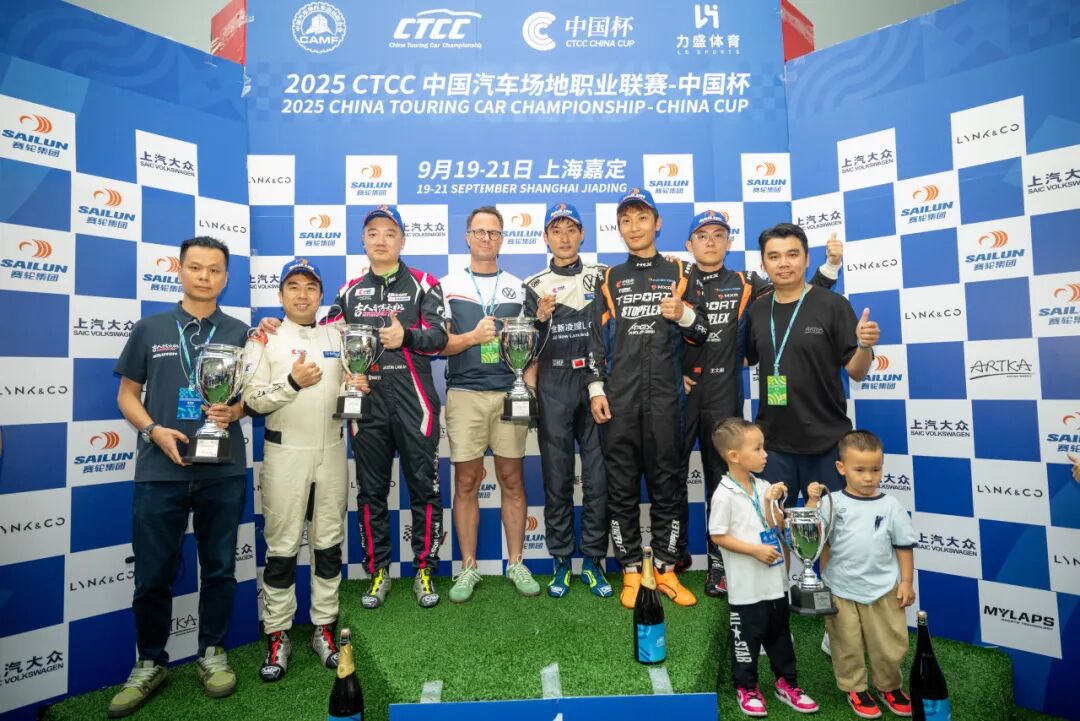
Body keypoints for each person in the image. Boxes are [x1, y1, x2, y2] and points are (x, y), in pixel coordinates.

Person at [261, 206, 448, 609]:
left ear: (402, 240)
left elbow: (440, 338)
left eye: (390, 233)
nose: (381, 239)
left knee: (424, 489)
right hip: (365, 404)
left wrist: (407, 336)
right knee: (371, 492)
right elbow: (319, 335)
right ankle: (378, 571)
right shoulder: (348, 293)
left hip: (416, 403)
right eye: (373, 232)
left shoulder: (424, 283)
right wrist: (270, 327)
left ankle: (424, 570)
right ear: (362, 241)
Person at [110, 237, 250, 717]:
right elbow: (127, 395)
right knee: (152, 574)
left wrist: (234, 410)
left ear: (225, 277)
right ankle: (150, 661)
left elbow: (253, 397)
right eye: (196, 267)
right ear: (180, 271)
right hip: (159, 470)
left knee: (219, 567)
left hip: (223, 469)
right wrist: (152, 430)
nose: (204, 276)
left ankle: (212, 651)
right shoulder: (150, 328)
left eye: (214, 269)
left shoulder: (242, 333)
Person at [677, 211, 841, 597]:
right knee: (669, 478)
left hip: (723, 395)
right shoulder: (675, 278)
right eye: (702, 235)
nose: (711, 241)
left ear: (729, 242)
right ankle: (672, 561)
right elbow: (647, 335)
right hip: (680, 394)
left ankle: (719, 565)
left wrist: (830, 269)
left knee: (723, 481)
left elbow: (796, 296)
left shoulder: (747, 282)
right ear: (689, 244)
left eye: (719, 234)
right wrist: (673, 371)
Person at [587, 187, 707, 609]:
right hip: (619, 400)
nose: (634, 226)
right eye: (626, 220)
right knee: (620, 489)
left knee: (667, 487)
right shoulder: (609, 278)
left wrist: (684, 315)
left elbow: (703, 332)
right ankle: (631, 571)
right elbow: (595, 339)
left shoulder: (681, 271)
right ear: (618, 228)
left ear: (657, 223)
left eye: (642, 218)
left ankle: (667, 570)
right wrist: (596, 389)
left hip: (665, 401)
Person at [243, 258, 359, 681]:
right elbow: (251, 401)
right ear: (280, 294)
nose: (302, 294)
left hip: (332, 451)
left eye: (310, 287)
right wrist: (292, 383)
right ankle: (278, 634)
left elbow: (347, 387)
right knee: (282, 549)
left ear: (321, 295)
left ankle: (324, 628)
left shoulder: (337, 335)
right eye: (293, 286)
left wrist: (355, 387)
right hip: (285, 453)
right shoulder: (264, 338)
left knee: (328, 546)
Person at [440, 205, 540, 601]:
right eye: (479, 232)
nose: (486, 238)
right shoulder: (446, 286)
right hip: (464, 393)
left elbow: (532, 347)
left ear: (502, 239)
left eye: (493, 233)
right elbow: (439, 345)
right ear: (467, 237)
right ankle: (468, 568)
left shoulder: (519, 288)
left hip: (507, 394)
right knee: (466, 482)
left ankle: (516, 562)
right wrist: (472, 338)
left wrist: (528, 388)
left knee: (512, 480)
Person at [746, 222, 879, 505]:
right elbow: (744, 357)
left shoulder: (833, 305)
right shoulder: (757, 310)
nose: (783, 263)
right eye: (774, 256)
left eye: (792, 254)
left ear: (807, 259)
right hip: (773, 445)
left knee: (827, 526)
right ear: (763, 264)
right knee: (772, 525)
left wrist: (865, 346)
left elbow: (856, 372)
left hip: (826, 444)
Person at [522, 202, 612, 599]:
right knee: (557, 479)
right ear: (546, 237)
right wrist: (539, 320)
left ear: (582, 235)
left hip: (594, 383)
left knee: (598, 479)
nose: (564, 237)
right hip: (554, 385)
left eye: (571, 229)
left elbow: (615, 330)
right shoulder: (534, 284)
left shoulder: (602, 275)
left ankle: (593, 560)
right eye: (556, 230)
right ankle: (560, 561)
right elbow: (524, 348)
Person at [708, 418, 819, 717]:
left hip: (775, 584)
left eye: (763, 447)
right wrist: (755, 550)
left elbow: (777, 525)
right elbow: (717, 535)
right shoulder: (724, 493)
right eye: (757, 448)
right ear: (734, 456)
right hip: (746, 589)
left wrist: (772, 502)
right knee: (746, 640)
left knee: (780, 637)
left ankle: (788, 683)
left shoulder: (764, 486)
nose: (765, 454)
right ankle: (747, 687)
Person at [806, 430, 916, 719]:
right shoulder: (832, 503)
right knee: (846, 643)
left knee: (890, 643)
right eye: (860, 470)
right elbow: (812, 535)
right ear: (841, 468)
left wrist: (906, 582)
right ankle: (855, 688)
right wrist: (812, 503)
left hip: (883, 589)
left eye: (876, 470)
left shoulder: (890, 505)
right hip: (841, 589)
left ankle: (889, 686)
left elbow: (903, 546)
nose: (869, 477)